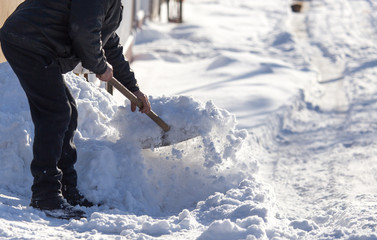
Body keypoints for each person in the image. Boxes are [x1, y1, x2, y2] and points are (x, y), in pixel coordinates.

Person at [0, 0, 151, 219]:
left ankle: (66, 189)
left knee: (67, 111)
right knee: (56, 112)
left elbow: (108, 43)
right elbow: (83, 31)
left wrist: (133, 88)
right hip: (28, 41)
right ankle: (46, 194)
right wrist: (99, 66)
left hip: (37, 43)